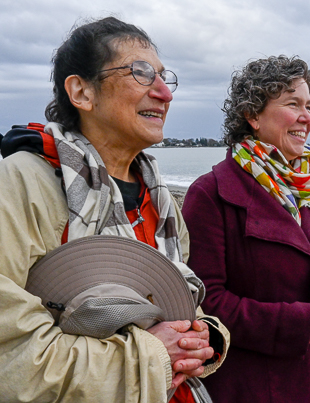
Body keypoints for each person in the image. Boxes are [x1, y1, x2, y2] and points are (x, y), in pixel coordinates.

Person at [0, 17, 228, 403]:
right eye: (140, 72)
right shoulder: (22, 183)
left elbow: (174, 302)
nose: (164, 94)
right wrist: (155, 356)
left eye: (164, 77)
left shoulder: (161, 201)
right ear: (82, 92)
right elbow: (14, 358)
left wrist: (203, 335)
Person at [181, 55, 310, 402]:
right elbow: (207, 303)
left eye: (308, 105)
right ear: (252, 115)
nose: (306, 117)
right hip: (252, 380)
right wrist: (297, 323)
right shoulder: (211, 193)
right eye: (292, 104)